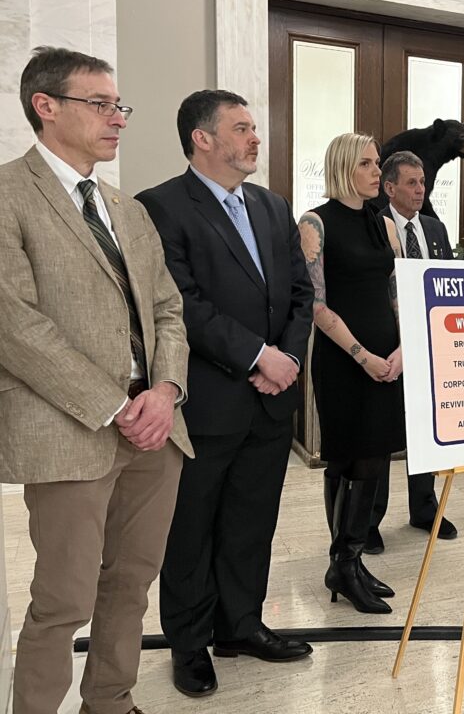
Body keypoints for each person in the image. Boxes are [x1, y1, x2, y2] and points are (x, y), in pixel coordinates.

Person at [0, 46, 192, 714]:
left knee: (132, 584)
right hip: (68, 429)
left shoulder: (126, 208)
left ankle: (110, 700)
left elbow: (168, 307)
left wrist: (164, 392)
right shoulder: (6, 196)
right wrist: (115, 404)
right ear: (45, 107)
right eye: (100, 104)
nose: (118, 119)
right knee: (62, 599)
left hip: (156, 432)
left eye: (120, 106)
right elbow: (13, 325)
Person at [137, 89, 315, 698]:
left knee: (250, 522)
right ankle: (188, 644)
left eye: (254, 128)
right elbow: (180, 303)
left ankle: (240, 626)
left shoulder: (271, 205)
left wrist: (286, 358)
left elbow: (299, 292)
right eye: (241, 129)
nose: (255, 139)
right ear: (202, 138)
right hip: (207, 402)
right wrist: (255, 356)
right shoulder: (160, 207)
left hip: (270, 400)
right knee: (191, 529)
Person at [298, 133, 405, 614]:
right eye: (366, 163)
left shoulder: (387, 225)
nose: (375, 172)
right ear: (344, 166)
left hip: (389, 356)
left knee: (376, 458)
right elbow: (317, 306)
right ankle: (342, 561)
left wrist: (404, 348)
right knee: (346, 458)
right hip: (345, 360)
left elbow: (398, 292)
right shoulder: (315, 223)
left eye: (377, 163)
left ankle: (351, 560)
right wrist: (363, 356)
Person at [368, 150, 458, 551]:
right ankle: (370, 518)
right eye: (411, 183)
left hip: (430, 343)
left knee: (424, 428)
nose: (421, 190)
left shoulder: (435, 230)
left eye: (423, 183)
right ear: (390, 188)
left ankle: (424, 508)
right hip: (387, 345)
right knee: (384, 430)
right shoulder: (374, 226)